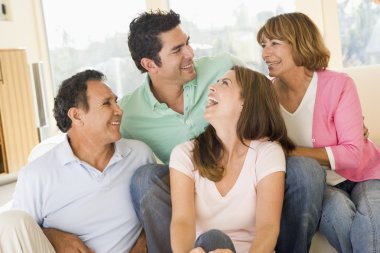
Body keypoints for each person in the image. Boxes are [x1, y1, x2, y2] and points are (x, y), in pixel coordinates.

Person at [119, 9, 325, 253]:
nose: (190, 53)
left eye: (187, 43)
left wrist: (336, 113)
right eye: (177, 50)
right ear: (149, 64)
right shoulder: (128, 114)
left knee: (306, 170)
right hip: (187, 179)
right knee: (145, 178)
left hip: (244, 166)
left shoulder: (223, 67)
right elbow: (101, 161)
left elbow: (260, 94)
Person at [257, 12, 380, 253]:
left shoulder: (339, 84)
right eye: (263, 45)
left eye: (274, 43)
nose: (264, 53)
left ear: (300, 42)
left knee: (373, 218)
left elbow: (354, 154)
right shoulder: (265, 96)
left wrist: (290, 151)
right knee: (339, 216)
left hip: (363, 174)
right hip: (319, 186)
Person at [0, 70, 155, 253]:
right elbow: (19, 235)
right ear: (77, 116)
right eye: (107, 103)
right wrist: (51, 235)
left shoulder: (139, 154)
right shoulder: (37, 174)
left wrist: (145, 241)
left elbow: (159, 211)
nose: (119, 110)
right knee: (8, 222)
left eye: (116, 101)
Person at [170, 66, 295, 253]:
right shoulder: (184, 154)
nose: (212, 86)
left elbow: (268, 228)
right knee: (213, 239)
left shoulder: (267, 153)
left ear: (245, 102)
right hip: (204, 250)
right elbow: (182, 221)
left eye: (224, 83)